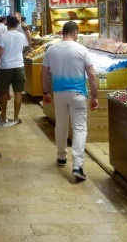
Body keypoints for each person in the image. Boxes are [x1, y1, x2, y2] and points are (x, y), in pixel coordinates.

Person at [41, 21, 99, 182]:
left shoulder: (52, 49)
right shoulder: (81, 49)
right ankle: (78, 166)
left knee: (61, 124)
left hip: (59, 93)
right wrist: (95, 96)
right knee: (79, 129)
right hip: (78, 94)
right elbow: (91, 75)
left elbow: (43, 73)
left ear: (62, 32)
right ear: (75, 33)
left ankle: (61, 156)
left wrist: (45, 92)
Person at [0, 15, 29, 123]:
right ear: (17, 25)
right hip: (19, 66)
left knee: (3, 92)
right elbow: (24, 48)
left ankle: (3, 115)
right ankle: (16, 117)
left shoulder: (3, 36)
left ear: (7, 24)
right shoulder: (21, 36)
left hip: (5, 67)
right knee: (18, 92)